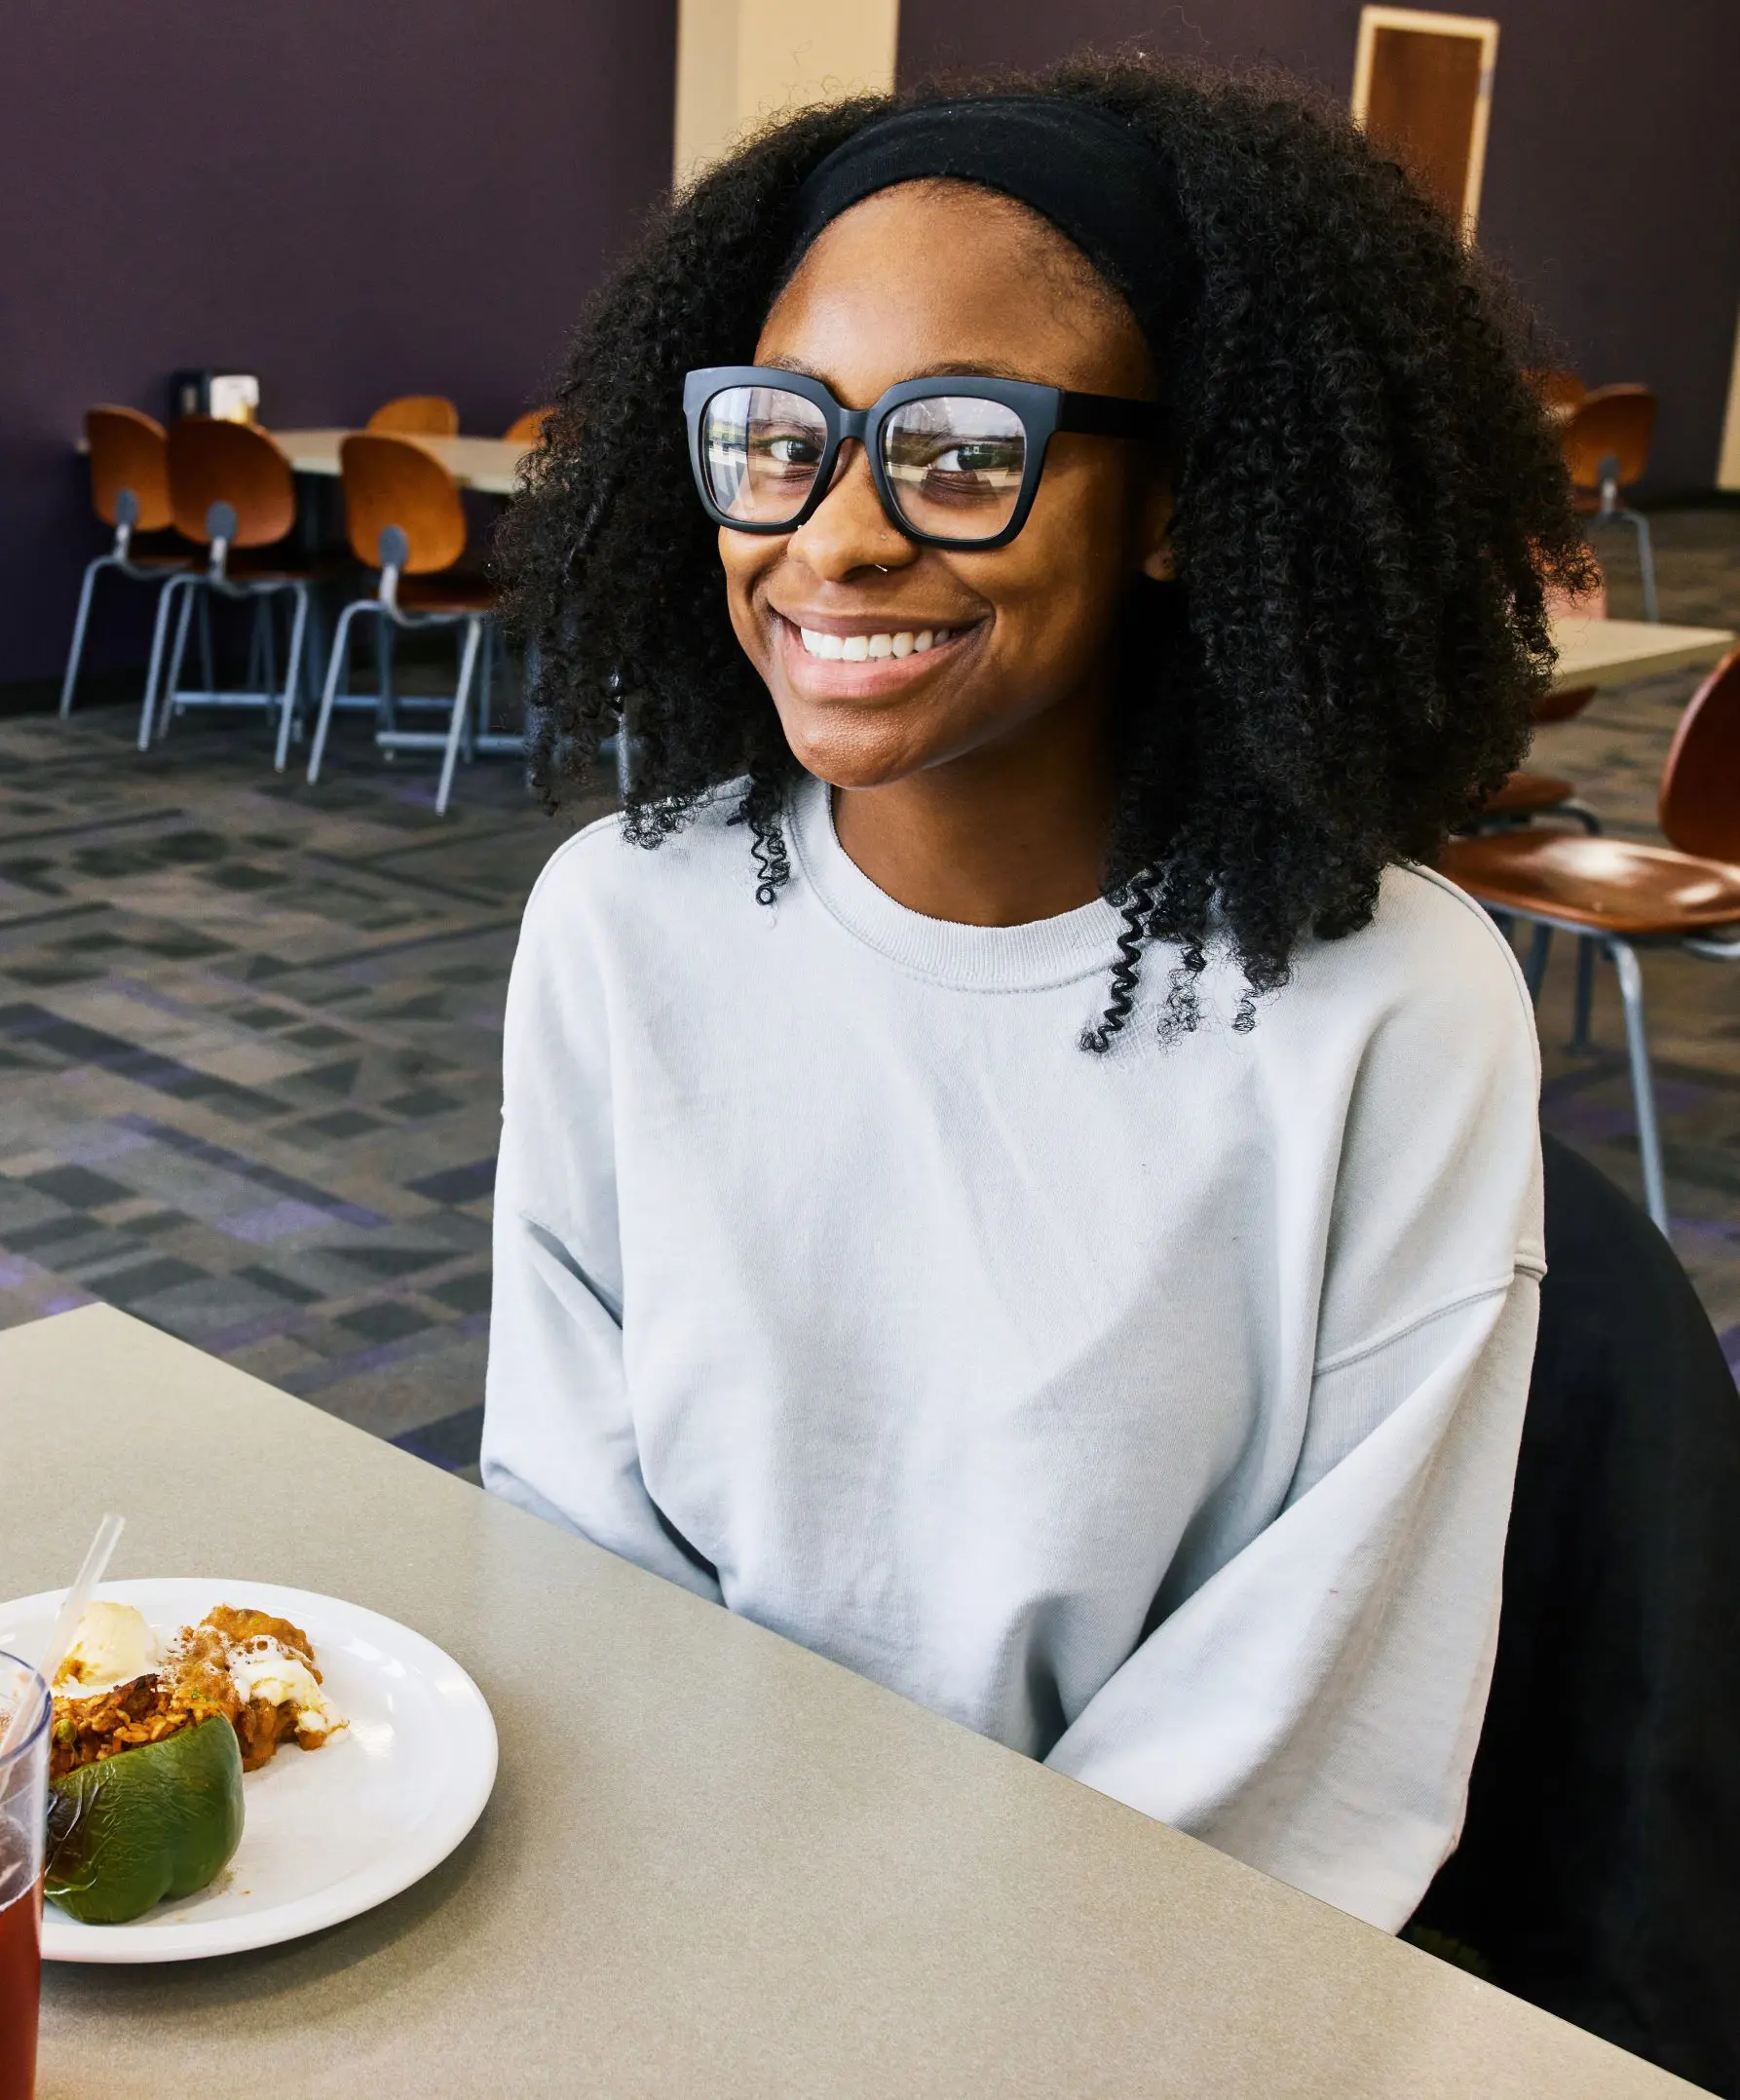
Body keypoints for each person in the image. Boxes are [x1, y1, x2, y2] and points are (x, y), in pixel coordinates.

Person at [481, 62, 1588, 1931]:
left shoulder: (1391, 1012)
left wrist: (937, 1970)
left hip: (1125, 1967)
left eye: (962, 449)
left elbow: (1301, 1717)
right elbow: (570, 1533)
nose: (832, 535)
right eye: (781, 436)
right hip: (669, 1900)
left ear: (1176, 503)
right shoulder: (618, 924)